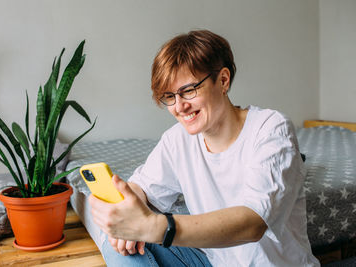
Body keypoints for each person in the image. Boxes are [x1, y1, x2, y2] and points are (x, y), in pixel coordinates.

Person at [88, 29, 320, 266]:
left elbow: (253, 222)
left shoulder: (271, 128)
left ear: (223, 80)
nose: (179, 107)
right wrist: (124, 208)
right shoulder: (177, 139)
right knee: (119, 246)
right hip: (212, 261)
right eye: (169, 96)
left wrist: (156, 227)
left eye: (188, 90)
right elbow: (144, 188)